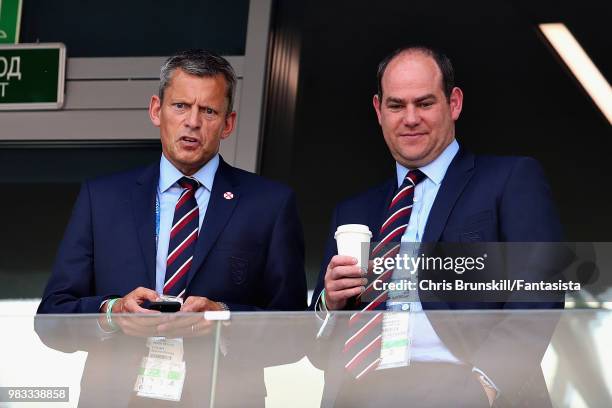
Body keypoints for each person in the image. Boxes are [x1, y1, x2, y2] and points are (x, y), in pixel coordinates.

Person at [310, 46, 565, 407]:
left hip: (465, 387)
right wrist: (328, 304)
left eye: (425, 103)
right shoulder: (352, 211)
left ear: (454, 103)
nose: (410, 118)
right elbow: (317, 350)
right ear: (378, 110)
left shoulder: (509, 179)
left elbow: (541, 287)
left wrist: (486, 385)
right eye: (396, 105)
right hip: (359, 393)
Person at [38, 49, 307, 315]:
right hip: (121, 358)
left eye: (209, 111)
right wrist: (113, 311)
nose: (193, 122)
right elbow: (52, 315)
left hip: (216, 359)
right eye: (180, 106)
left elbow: (293, 329)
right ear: (156, 110)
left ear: (228, 124)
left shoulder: (269, 205)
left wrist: (222, 316)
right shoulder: (101, 199)